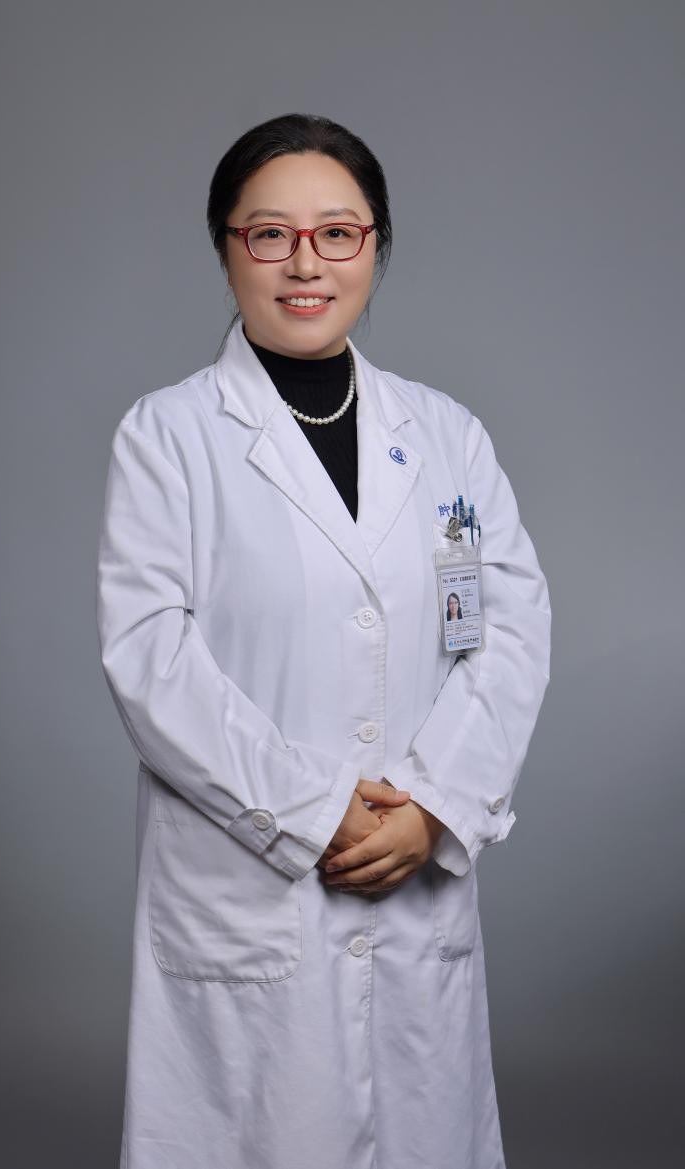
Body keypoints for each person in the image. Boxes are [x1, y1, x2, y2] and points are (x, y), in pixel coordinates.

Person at [96, 112, 551, 1169]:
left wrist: (433, 804)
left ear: (375, 245)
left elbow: (508, 630)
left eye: (337, 232)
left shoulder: (447, 436)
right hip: (252, 895)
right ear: (226, 246)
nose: (306, 264)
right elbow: (152, 660)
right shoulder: (168, 436)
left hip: (414, 874)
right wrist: (314, 808)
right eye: (271, 234)